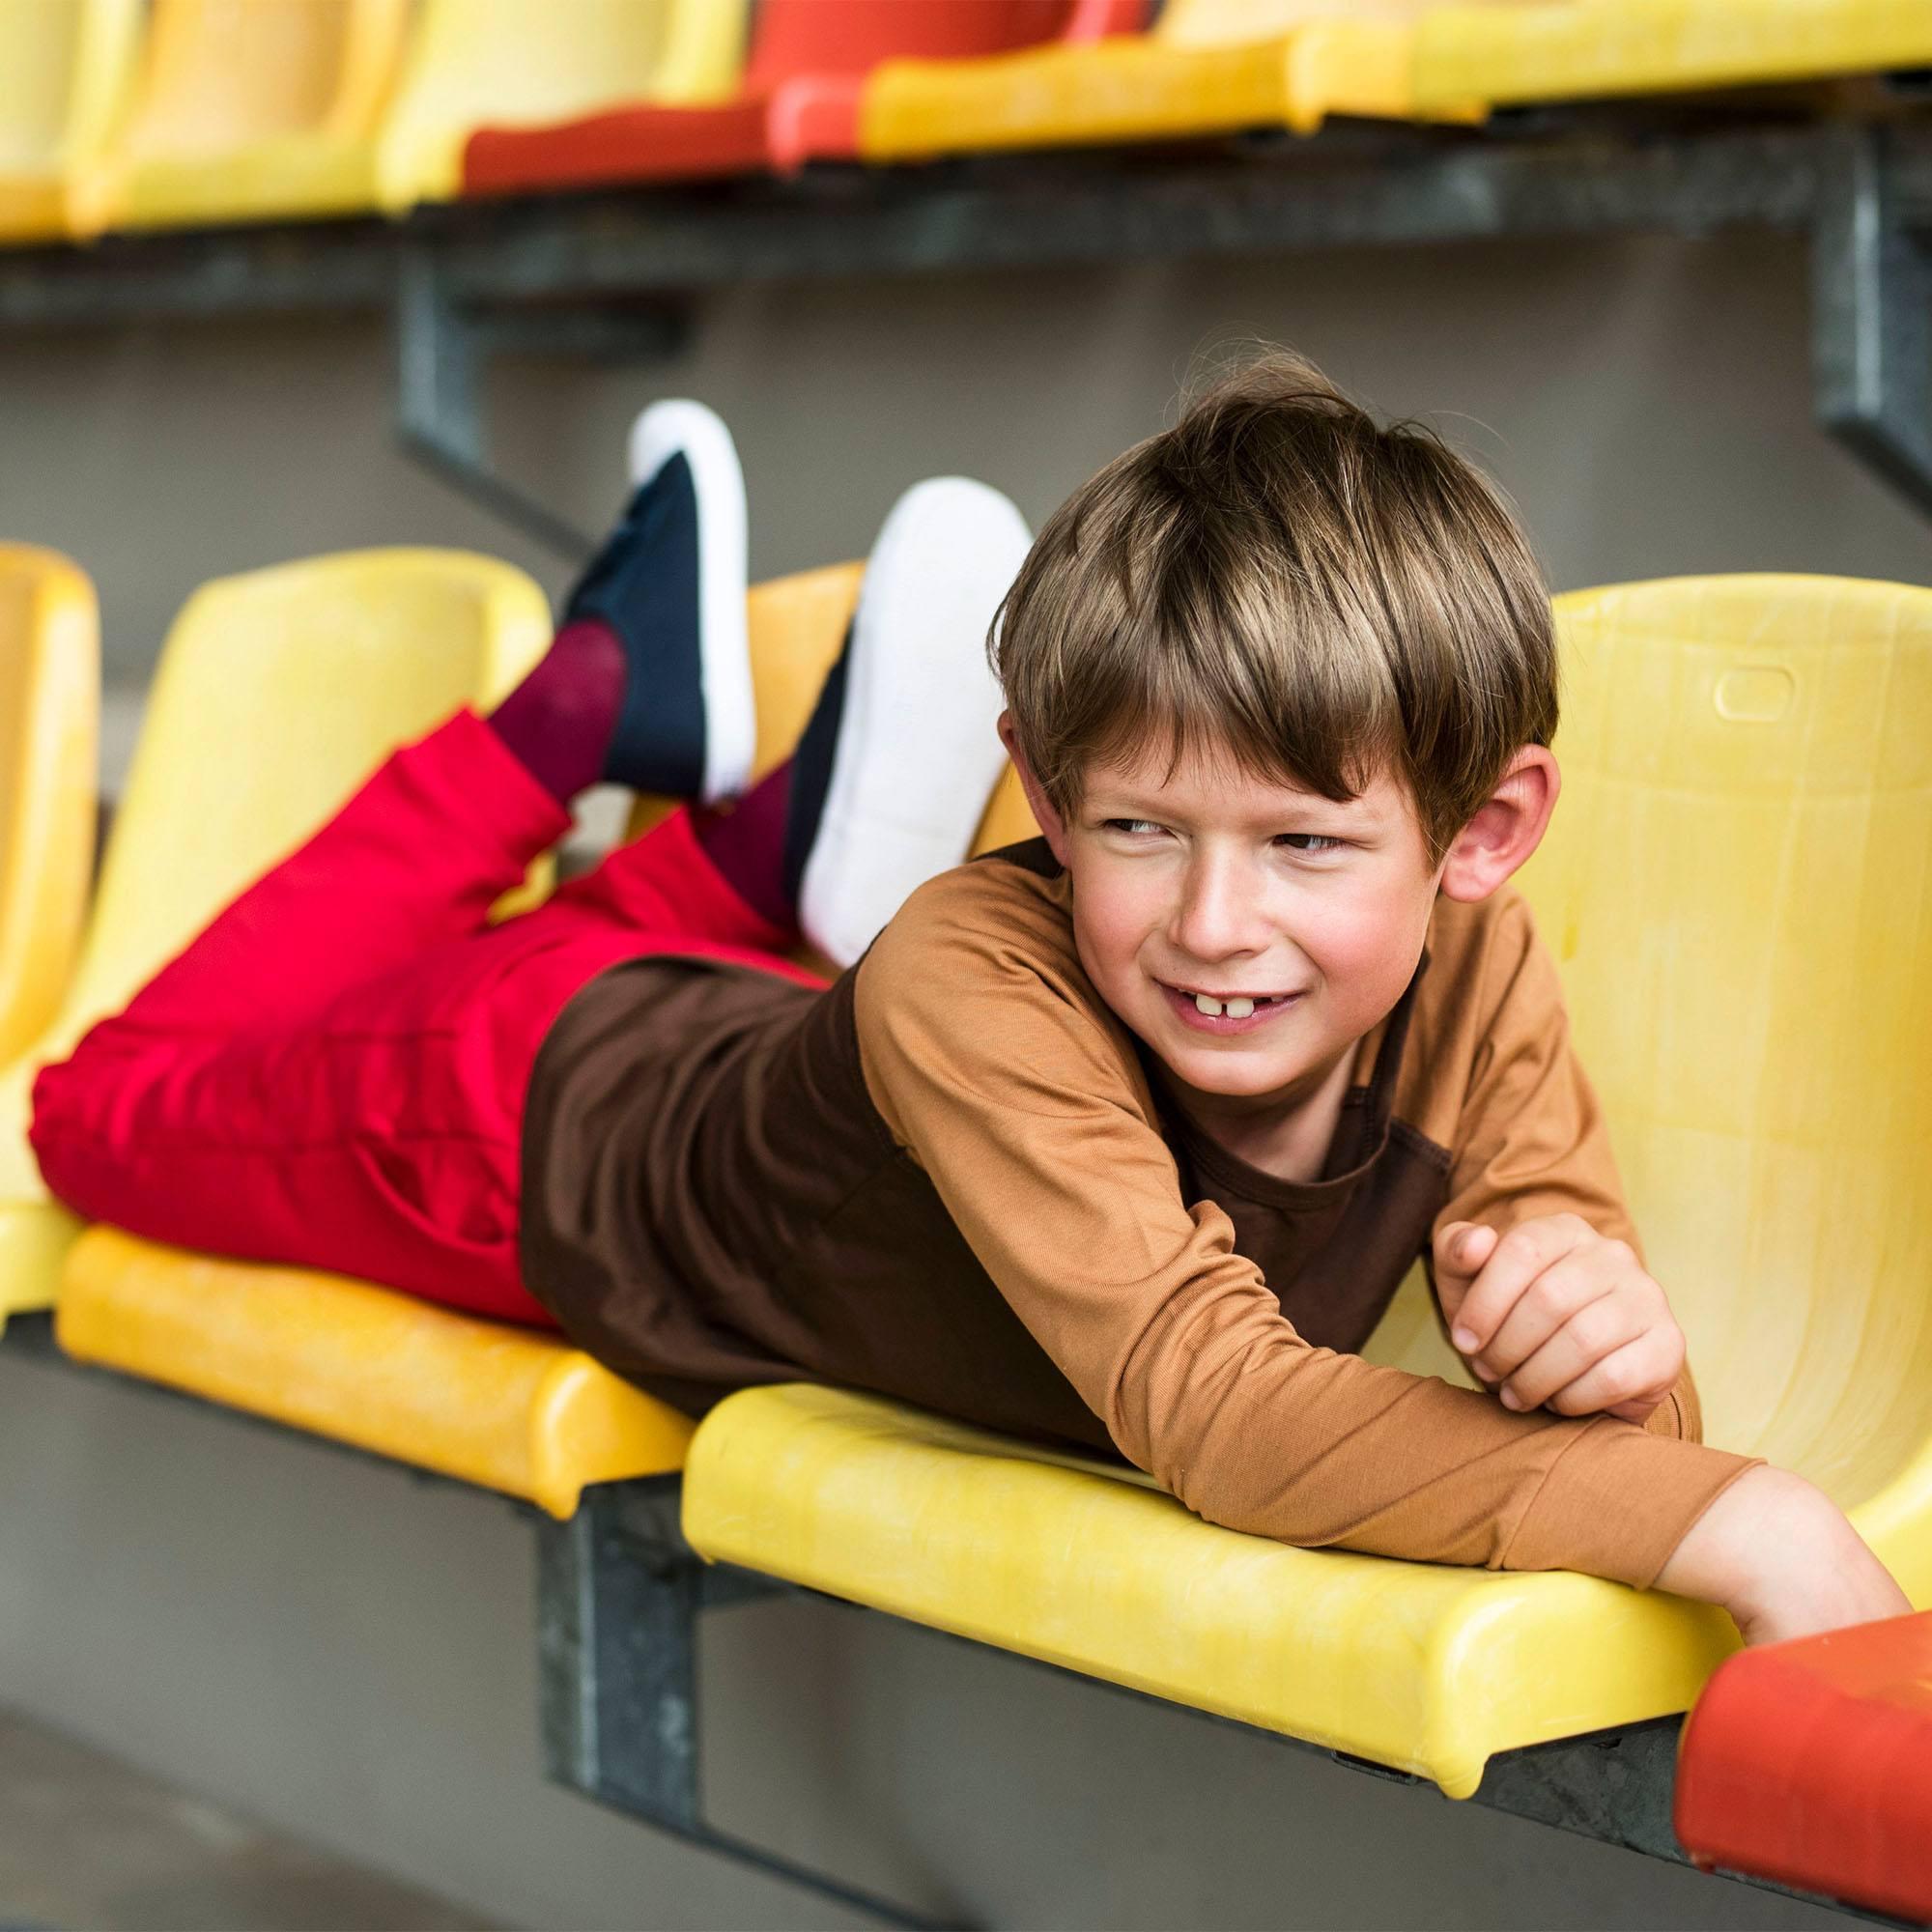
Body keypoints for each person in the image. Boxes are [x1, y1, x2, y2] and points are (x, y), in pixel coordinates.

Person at [30, 357, 1907, 1647]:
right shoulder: (964, 972)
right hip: (510, 1110)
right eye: (1140, 829)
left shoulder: (1480, 980)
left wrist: (1617, 1350)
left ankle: (748, 844)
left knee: (849, 991)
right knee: (97, 1103)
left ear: (1479, 833)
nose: (1215, 923)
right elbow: (1228, 1418)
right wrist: (1745, 1514)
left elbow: (1610, 1429)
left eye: (1308, 846)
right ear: (1039, 784)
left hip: (770, 1035)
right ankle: (572, 716)